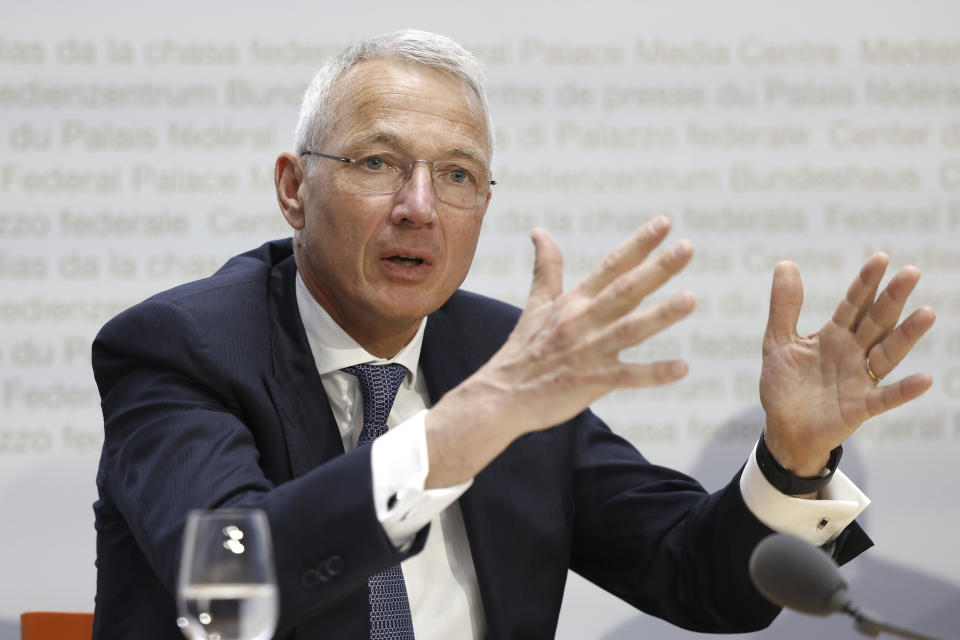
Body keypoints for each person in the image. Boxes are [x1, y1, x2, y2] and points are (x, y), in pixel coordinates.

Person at [91, 30, 936, 640]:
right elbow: (226, 590)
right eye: (377, 163)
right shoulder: (179, 346)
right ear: (292, 189)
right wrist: (470, 424)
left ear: (482, 208)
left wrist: (791, 457)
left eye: (455, 175)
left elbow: (700, 583)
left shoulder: (503, 357)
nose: (419, 206)